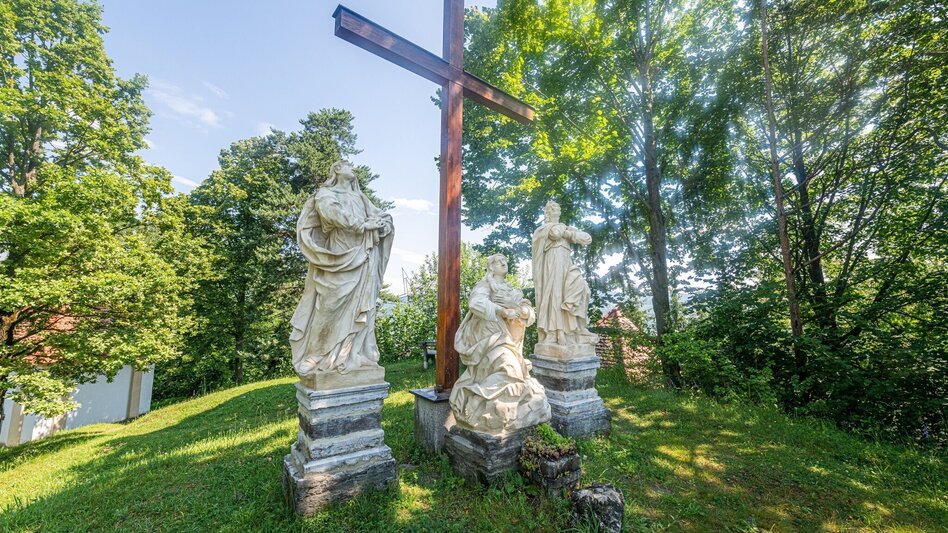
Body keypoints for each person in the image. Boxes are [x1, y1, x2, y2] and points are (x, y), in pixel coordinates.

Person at [289, 160, 394, 376]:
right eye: (346, 164)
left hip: (363, 256)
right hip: (339, 255)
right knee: (328, 305)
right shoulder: (326, 193)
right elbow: (331, 213)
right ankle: (315, 354)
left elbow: (380, 214)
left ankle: (353, 354)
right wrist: (363, 224)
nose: (352, 167)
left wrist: (383, 223)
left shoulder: (360, 197)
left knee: (360, 308)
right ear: (337, 169)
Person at [450, 254, 551, 434]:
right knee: (508, 366)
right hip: (489, 338)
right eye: (498, 261)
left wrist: (523, 310)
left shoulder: (512, 290)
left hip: (509, 339)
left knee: (517, 372)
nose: (504, 263)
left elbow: (529, 313)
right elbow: (475, 303)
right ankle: (475, 399)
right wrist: (502, 310)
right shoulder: (485, 285)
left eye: (505, 261)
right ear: (490, 267)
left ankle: (481, 397)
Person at [532, 200, 596, 346]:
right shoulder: (543, 229)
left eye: (557, 207)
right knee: (555, 295)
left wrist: (568, 232)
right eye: (552, 208)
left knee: (583, 289)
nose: (555, 209)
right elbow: (555, 233)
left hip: (566, 263)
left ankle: (578, 327)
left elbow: (587, 238)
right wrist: (570, 233)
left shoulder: (564, 227)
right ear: (547, 213)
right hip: (552, 264)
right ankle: (554, 332)